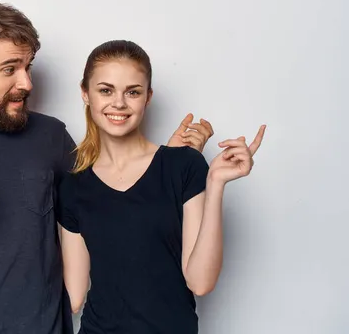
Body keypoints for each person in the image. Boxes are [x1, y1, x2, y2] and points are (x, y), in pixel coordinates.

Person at [0, 1, 213, 334]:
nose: (27, 83)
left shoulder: (50, 136)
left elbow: (111, 192)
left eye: (28, 67)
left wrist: (169, 161)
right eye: (10, 69)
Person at [57, 40, 266, 334]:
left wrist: (215, 182)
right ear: (85, 93)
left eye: (133, 92)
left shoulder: (184, 166)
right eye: (106, 90)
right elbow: (74, 297)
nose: (119, 103)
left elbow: (200, 282)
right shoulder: (73, 185)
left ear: (148, 97)